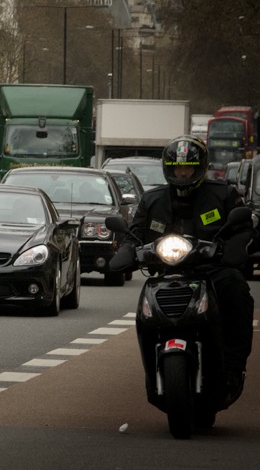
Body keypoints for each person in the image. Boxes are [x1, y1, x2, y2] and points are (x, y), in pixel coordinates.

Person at [110, 135, 254, 408]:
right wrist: (127, 251)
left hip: (212, 270)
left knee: (235, 286)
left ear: (201, 167)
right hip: (166, 272)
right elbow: (135, 233)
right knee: (145, 303)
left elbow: (243, 229)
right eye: (177, 168)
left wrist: (234, 248)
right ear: (168, 168)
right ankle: (153, 370)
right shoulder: (152, 200)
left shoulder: (223, 194)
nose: (183, 173)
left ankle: (233, 369)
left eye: (188, 167)